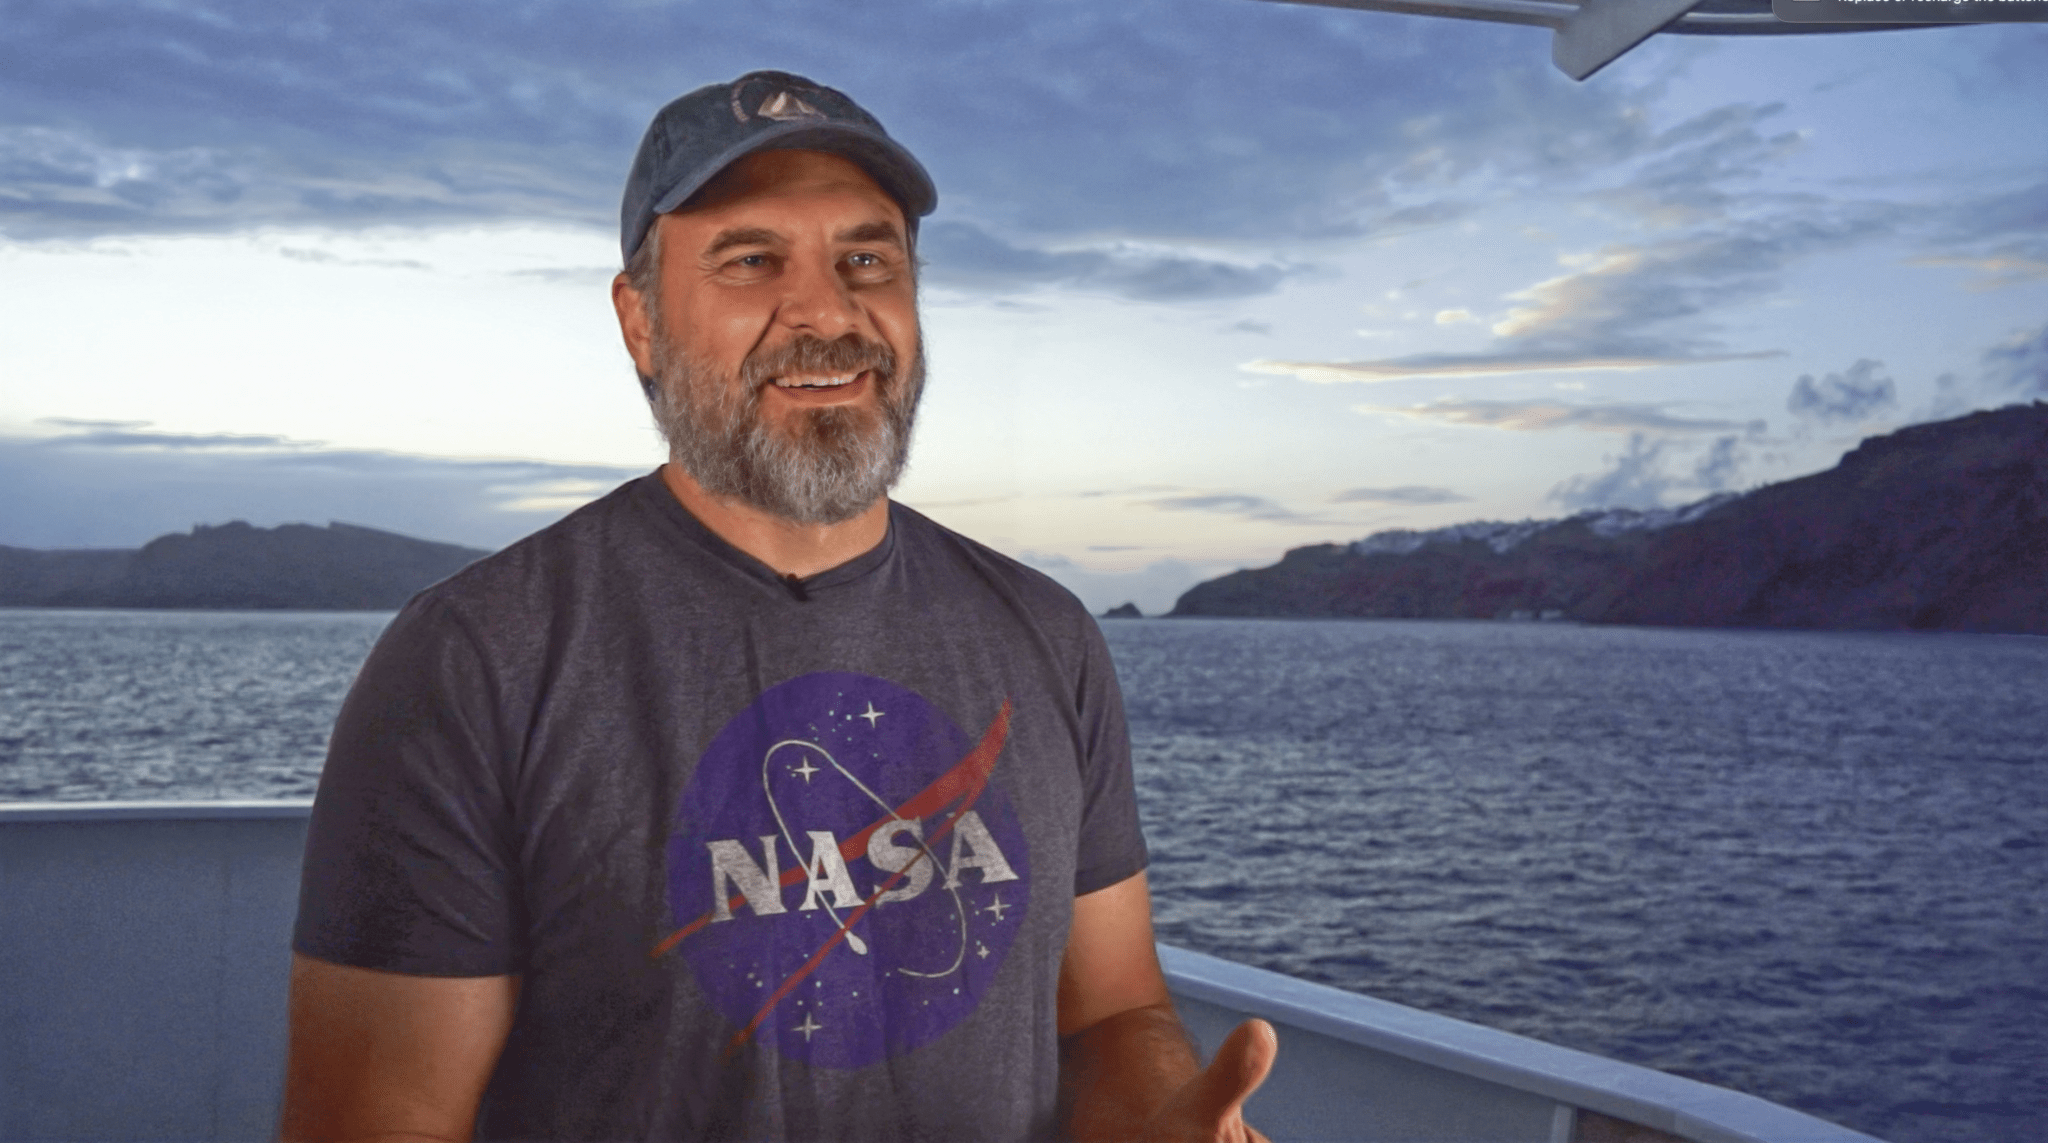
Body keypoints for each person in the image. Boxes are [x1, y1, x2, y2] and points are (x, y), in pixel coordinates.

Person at [280, 69, 1275, 1143]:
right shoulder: (478, 661)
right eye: (752, 261)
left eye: (866, 260)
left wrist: (1165, 1122)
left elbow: (1113, 1015)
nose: (825, 313)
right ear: (640, 322)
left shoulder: (1046, 635)